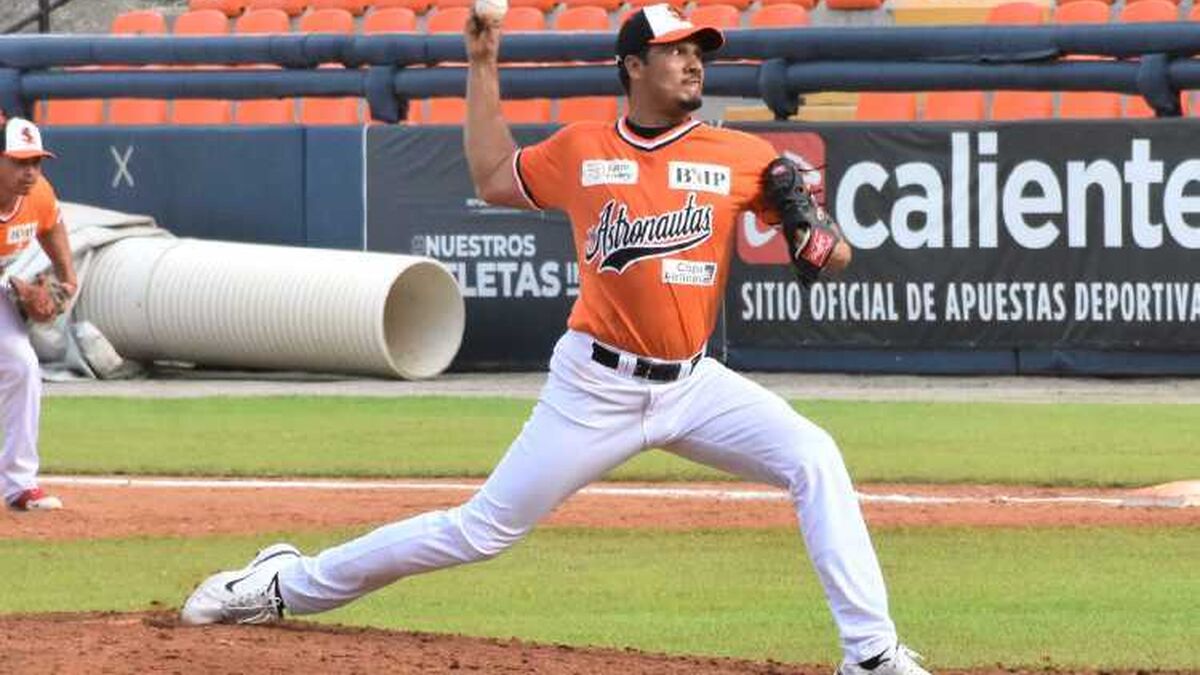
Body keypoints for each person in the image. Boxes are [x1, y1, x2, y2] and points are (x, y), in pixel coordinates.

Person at [181, 6, 931, 673]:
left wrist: (815, 231)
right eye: (674, 50)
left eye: (699, 48)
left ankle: (869, 653)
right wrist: (481, 65)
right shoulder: (582, 148)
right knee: (479, 530)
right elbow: (491, 174)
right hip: (595, 386)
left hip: (695, 385)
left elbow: (830, 255)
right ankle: (283, 581)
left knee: (814, 457)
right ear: (633, 66)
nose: (694, 60)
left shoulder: (740, 156)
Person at [0, 115, 77, 511]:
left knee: (23, 366)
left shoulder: (38, 194)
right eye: (19, 161)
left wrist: (66, 280)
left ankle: (19, 485)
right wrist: (22, 290)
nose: (29, 171)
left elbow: (52, 225)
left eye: (36, 161)